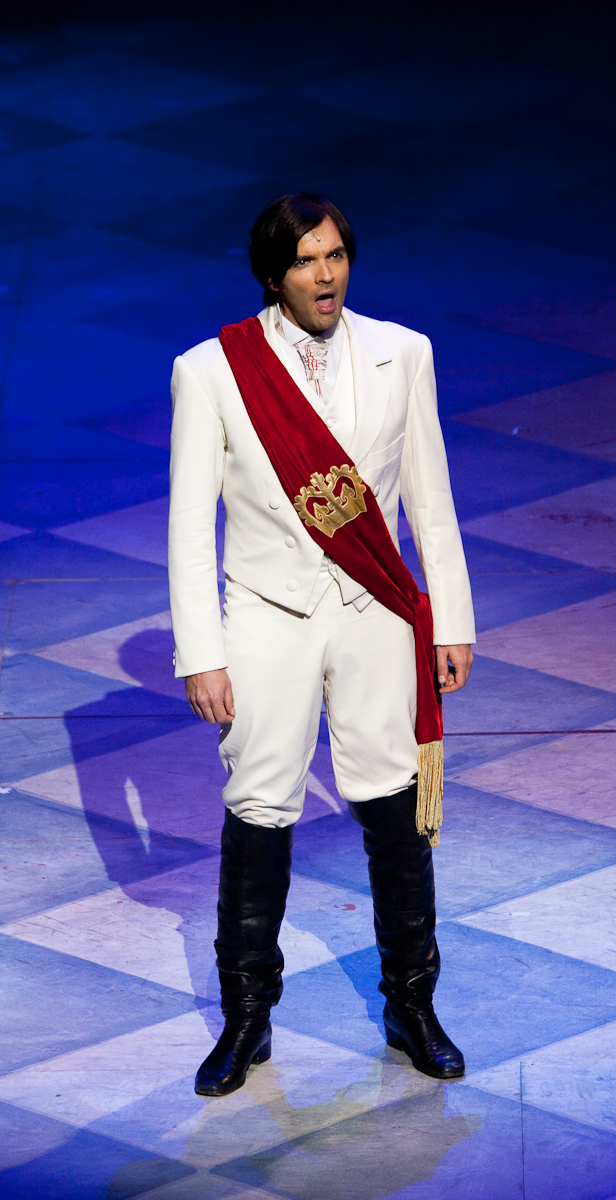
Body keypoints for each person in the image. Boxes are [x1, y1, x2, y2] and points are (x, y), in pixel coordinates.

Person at [168, 193, 475, 1098]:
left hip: (375, 608)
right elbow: (189, 526)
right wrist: (202, 651)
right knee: (260, 804)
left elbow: (431, 498)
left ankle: (412, 1007)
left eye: (336, 254)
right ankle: (247, 1018)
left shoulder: (403, 353)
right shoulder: (213, 370)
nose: (326, 273)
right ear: (274, 276)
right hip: (268, 613)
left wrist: (451, 621)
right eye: (306, 260)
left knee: (393, 802)